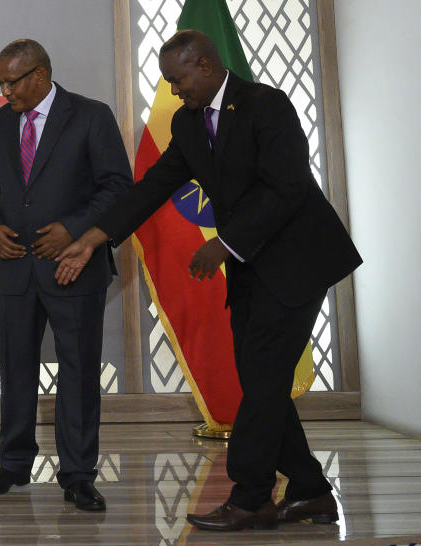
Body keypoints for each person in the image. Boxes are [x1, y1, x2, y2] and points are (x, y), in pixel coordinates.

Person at [55, 29, 362, 530]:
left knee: (262, 378)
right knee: (262, 381)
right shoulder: (188, 122)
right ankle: (310, 492)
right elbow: (154, 186)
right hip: (251, 266)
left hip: (298, 260)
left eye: (178, 81)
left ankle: (250, 497)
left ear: (203, 65)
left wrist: (224, 243)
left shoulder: (267, 105)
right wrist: (95, 236)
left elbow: (286, 188)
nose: (176, 92)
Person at [0, 39, 132, 511]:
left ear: (40, 74)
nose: (4, 91)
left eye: (12, 82)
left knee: (79, 370)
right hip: (16, 268)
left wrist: (75, 229)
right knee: (15, 367)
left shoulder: (90, 115)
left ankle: (78, 474)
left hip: (73, 267)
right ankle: (13, 463)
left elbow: (118, 186)